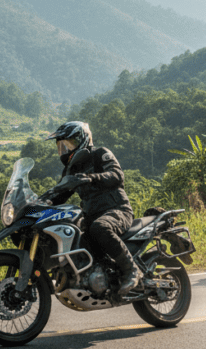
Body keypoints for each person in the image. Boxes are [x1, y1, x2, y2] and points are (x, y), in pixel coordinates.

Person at [46, 121, 142, 295]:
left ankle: (132, 270)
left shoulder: (100, 154)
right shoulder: (70, 170)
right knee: (74, 239)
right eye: (62, 145)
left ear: (83, 139)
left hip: (117, 210)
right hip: (91, 217)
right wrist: (39, 204)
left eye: (70, 143)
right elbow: (59, 194)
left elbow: (117, 175)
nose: (66, 149)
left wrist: (91, 178)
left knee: (101, 227)